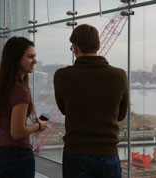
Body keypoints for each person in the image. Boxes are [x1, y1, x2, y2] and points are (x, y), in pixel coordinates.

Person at [54, 24, 129, 178]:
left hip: (75, 153)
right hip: (108, 153)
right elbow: (121, 115)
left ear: (75, 47)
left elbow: (64, 110)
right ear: (99, 46)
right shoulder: (119, 75)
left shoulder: (62, 75)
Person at [0, 36, 48, 178]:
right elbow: (17, 133)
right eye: (30, 57)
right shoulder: (20, 90)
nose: (35, 61)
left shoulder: (2, 86)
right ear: (16, 59)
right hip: (18, 155)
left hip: (1, 155)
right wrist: (38, 125)